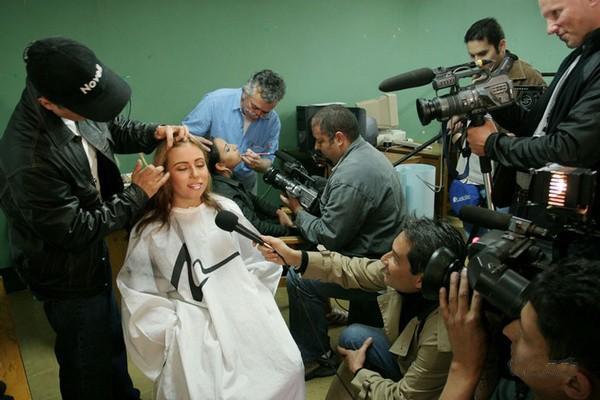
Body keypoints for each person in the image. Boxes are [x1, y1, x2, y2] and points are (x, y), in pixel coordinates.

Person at [0, 37, 191, 399]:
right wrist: (138, 193)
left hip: (95, 256)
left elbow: (110, 128)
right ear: (49, 104)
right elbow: (73, 230)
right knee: (85, 361)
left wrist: (152, 132)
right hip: (66, 272)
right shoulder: (29, 157)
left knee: (109, 344)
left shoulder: (73, 98)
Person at [117, 137, 304, 400]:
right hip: (192, 333)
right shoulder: (152, 231)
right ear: (165, 174)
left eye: (199, 165)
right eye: (182, 168)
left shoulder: (225, 210)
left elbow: (253, 262)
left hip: (246, 316)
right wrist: (176, 332)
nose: (195, 174)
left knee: (288, 369)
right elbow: (141, 296)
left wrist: (252, 298)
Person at [259, 217, 466, 399]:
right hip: (409, 357)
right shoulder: (418, 278)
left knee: (356, 359)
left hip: (423, 391)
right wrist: (294, 257)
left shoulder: (441, 335)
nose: (384, 260)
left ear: (421, 279)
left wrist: (360, 372)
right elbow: (352, 269)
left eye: (394, 257)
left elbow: (403, 398)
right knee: (354, 336)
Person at [280, 105, 405, 379]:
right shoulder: (364, 154)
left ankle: (315, 357)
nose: (316, 147)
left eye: (320, 141)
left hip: (372, 265)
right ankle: (358, 327)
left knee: (299, 277)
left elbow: (328, 235)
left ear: (339, 138)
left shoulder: (352, 175)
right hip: (379, 252)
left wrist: (298, 213)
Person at [466, 0, 600, 229]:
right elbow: (533, 127)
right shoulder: (578, 58)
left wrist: (492, 144)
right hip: (533, 204)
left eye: (557, 13)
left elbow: (567, 147)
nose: (550, 28)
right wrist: (494, 101)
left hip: (573, 222)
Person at [439, 258, 600, 400]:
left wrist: (463, 368)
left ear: (574, 384)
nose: (507, 331)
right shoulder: (522, 388)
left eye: (525, 336)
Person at [450, 17, 546, 221]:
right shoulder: (477, 75)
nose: (478, 62)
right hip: (472, 175)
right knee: (474, 235)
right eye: (473, 55)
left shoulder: (529, 79)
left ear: (501, 45)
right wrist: (458, 132)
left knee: (497, 239)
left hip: (507, 181)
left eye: (483, 54)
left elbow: (536, 136)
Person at [183, 69, 286, 193]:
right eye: (255, 107)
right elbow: (185, 138)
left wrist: (259, 164)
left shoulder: (272, 122)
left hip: (245, 184)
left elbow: (268, 164)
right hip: (211, 181)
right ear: (245, 93)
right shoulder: (215, 102)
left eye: (265, 112)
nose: (258, 114)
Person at [207, 137, 296, 236]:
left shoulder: (228, 179)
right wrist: (291, 232)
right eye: (227, 149)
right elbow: (256, 227)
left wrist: (278, 212)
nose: (235, 146)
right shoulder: (228, 194)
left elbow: (253, 199)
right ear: (220, 165)